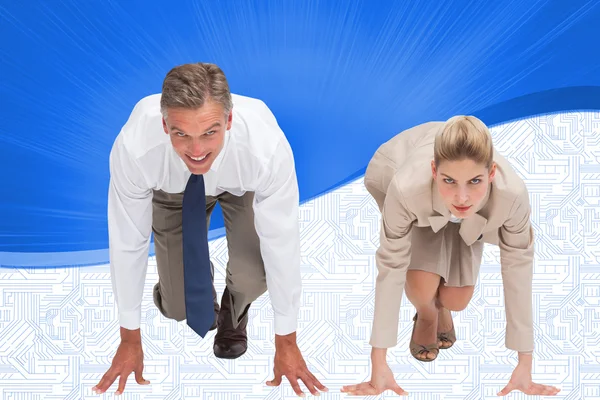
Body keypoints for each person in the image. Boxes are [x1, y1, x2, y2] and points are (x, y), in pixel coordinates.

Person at [92, 62, 327, 397]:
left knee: (254, 274)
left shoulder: (264, 149)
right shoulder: (135, 148)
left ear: (228, 121)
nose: (197, 150)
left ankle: (235, 309)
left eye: (209, 132)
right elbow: (128, 240)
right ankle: (189, 287)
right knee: (179, 307)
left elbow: (283, 242)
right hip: (173, 192)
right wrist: (130, 338)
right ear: (164, 125)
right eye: (181, 134)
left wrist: (286, 341)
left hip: (241, 186)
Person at [341, 117, 561, 397]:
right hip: (421, 207)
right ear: (434, 171)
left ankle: (442, 307)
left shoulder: (512, 196)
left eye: (475, 181)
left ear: (492, 173)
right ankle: (427, 314)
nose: (462, 197)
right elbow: (391, 266)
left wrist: (525, 364)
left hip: (475, 218)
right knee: (422, 287)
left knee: (457, 299)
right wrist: (378, 363)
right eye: (449, 180)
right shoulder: (406, 188)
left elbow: (518, 269)